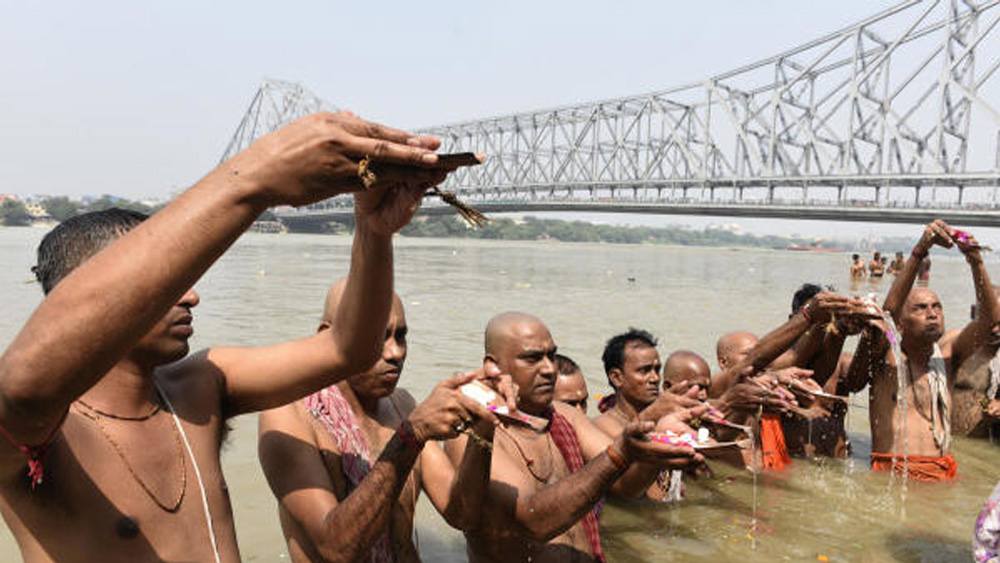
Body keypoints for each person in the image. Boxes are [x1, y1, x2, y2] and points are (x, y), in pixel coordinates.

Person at [0, 111, 460, 562]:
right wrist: (257, 174)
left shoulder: (197, 388)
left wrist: (373, 230)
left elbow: (349, 349)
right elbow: (21, 385)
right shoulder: (40, 433)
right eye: (166, 284)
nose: (194, 297)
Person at [258, 283, 509, 563]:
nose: (395, 353)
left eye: (400, 337)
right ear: (328, 338)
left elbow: (463, 514)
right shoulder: (290, 415)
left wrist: (485, 423)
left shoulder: (402, 406)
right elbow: (337, 548)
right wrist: (411, 436)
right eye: (376, 337)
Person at [447, 312, 705, 562]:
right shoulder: (474, 432)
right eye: (533, 358)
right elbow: (534, 520)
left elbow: (626, 486)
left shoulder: (564, 415)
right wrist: (620, 453)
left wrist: (661, 445)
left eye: (552, 355)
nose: (549, 369)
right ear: (493, 365)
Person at [850, 220, 999, 481]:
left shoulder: (948, 357)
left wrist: (976, 262)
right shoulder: (887, 357)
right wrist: (920, 251)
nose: (932, 313)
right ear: (901, 324)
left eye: (937, 307)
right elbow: (887, 313)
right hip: (893, 475)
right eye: (920, 308)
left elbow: (989, 324)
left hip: (942, 474)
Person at [947, 286, 1000, 439]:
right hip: (945, 445)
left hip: (981, 449)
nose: (995, 329)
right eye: (988, 321)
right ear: (972, 312)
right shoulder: (952, 346)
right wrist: (889, 334)